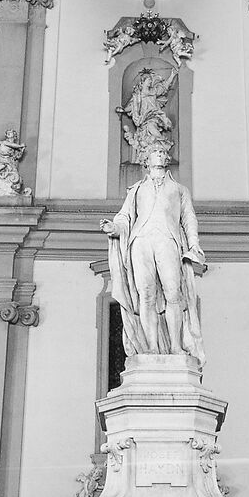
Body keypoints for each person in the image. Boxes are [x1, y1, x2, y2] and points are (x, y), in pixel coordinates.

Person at [104, 146, 206, 363]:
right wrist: (114, 228)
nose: (159, 154)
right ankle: (151, 347)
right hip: (141, 242)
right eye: (155, 151)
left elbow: (189, 218)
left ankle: (176, 347)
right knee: (146, 295)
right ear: (146, 159)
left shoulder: (179, 189)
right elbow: (125, 217)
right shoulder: (136, 190)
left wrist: (194, 244)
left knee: (173, 293)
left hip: (168, 240)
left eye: (162, 151)